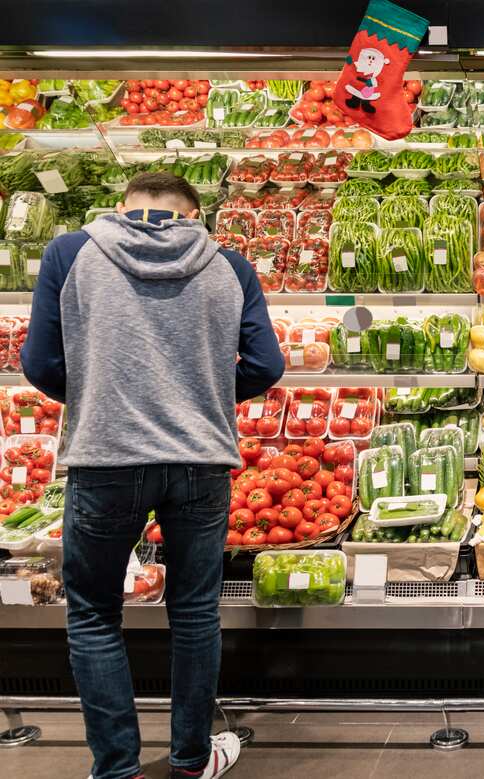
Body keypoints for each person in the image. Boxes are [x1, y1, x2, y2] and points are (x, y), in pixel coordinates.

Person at [21, 172, 284, 779]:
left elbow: (39, 361)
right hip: (199, 460)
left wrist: (97, 397)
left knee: (93, 614)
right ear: (193, 213)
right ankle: (192, 761)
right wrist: (206, 395)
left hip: (105, 457)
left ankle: (116, 768)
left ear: (124, 207)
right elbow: (266, 364)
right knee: (194, 614)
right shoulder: (228, 263)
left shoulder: (71, 251)